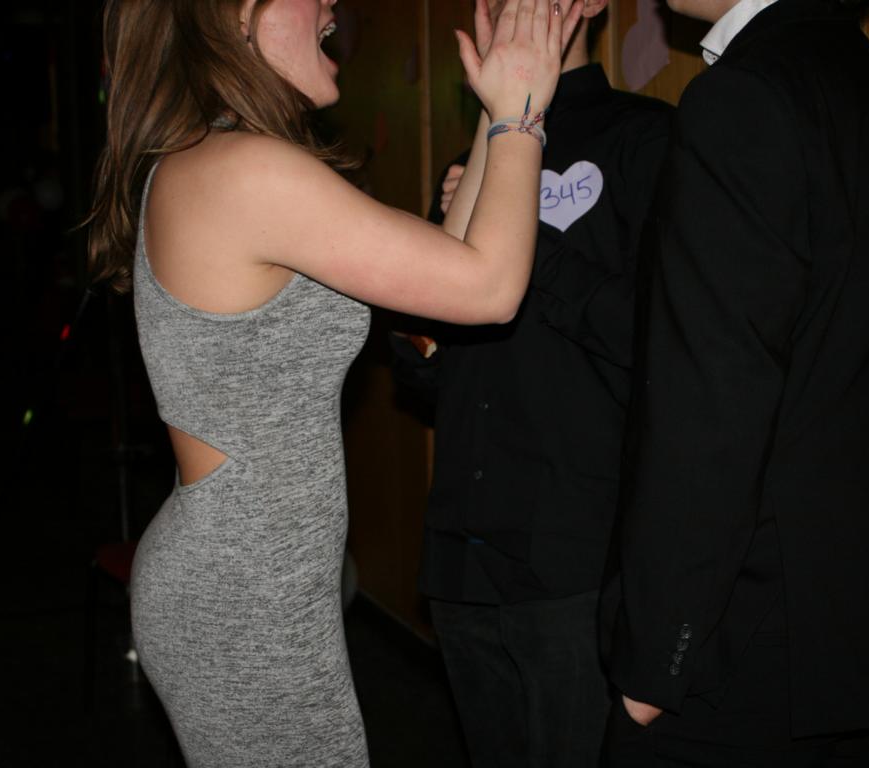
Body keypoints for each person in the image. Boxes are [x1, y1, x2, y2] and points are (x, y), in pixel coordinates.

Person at [84, 0, 582, 765]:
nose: (331, 7)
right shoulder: (245, 171)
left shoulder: (215, 162)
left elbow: (443, 280)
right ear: (235, 14)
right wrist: (524, 115)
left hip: (245, 578)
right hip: (243, 594)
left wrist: (495, 116)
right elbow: (489, 289)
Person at [601, 0, 869, 765]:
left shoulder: (745, 96)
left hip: (748, 637)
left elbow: (710, 407)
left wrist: (657, 659)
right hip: (865, 622)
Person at [389, 1, 671, 765]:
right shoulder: (477, 158)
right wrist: (447, 250)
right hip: (461, 557)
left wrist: (519, 246)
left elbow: (671, 350)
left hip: (577, 566)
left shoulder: (649, 139)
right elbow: (421, 372)